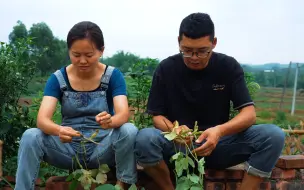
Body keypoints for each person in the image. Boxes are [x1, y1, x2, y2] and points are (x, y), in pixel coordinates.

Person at [134, 13, 285, 190]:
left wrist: (219, 131)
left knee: (273, 136)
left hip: (218, 146)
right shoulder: (166, 68)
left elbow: (249, 114)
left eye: (202, 51)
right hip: (178, 147)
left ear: (214, 43)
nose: (194, 57)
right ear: (178, 42)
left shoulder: (228, 66)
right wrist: (174, 130)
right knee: (145, 139)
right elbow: (157, 115)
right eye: (187, 51)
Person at [15, 21, 138, 190]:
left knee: (129, 130)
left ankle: (122, 185)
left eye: (89, 55)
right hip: (67, 150)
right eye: (76, 54)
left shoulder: (113, 76)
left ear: (101, 50)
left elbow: (123, 114)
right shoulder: (58, 78)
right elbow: (42, 120)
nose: (82, 61)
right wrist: (59, 130)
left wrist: (110, 121)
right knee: (31, 135)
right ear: (69, 51)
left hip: (102, 148)